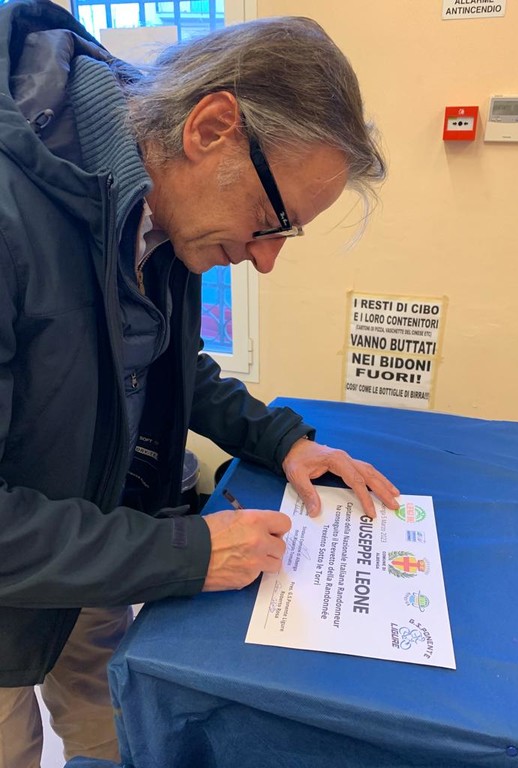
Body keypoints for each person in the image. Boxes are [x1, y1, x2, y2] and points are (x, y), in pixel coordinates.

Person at [0, 0, 399, 763]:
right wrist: (182, 555)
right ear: (211, 128)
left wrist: (279, 439)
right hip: (19, 575)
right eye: (270, 220)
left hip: (100, 542)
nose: (266, 259)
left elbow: (164, 361)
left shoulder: (153, 198)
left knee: (109, 720)